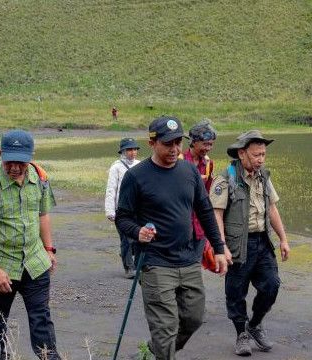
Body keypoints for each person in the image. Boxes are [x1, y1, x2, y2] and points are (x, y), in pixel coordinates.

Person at [115, 116, 230, 360]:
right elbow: (122, 218)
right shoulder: (136, 177)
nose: (174, 148)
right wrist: (138, 232)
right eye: (168, 143)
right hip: (155, 262)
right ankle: (163, 351)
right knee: (165, 327)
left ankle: (154, 351)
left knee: (194, 318)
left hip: (188, 259)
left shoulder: (188, 171)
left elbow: (205, 211)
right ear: (151, 143)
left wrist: (219, 248)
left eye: (178, 142)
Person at [0, 130, 60, 360]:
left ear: (31, 157)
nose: (15, 167)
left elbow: (43, 214)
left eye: (21, 162)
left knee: (42, 320)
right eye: (10, 161)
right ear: (0, 154)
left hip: (35, 263)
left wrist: (48, 250)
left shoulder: (40, 177)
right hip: (1, 265)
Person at [209, 130, 290, 356]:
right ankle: (241, 334)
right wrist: (221, 246)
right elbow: (216, 215)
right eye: (256, 155)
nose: (261, 159)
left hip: (262, 242)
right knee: (236, 292)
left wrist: (283, 239)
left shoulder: (264, 176)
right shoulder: (226, 179)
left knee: (271, 285)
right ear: (242, 154)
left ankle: (254, 324)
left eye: (263, 154)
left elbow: (272, 208)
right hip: (237, 245)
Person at [182, 119, 217, 271]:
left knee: (194, 267)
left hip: (200, 227)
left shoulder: (209, 164)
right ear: (193, 142)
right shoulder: (178, 161)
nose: (208, 148)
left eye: (211, 144)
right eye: (205, 144)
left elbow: (207, 197)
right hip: (181, 224)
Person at [105, 137, 141, 278]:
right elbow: (111, 189)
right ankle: (129, 268)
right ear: (123, 151)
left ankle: (138, 266)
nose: (132, 152)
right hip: (122, 210)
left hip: (138, 209)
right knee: (126, 239)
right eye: (129, 150)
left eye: (134, 149)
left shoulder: (140, 165)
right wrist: (110, 210)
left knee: (138, 238)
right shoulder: (116, 168)